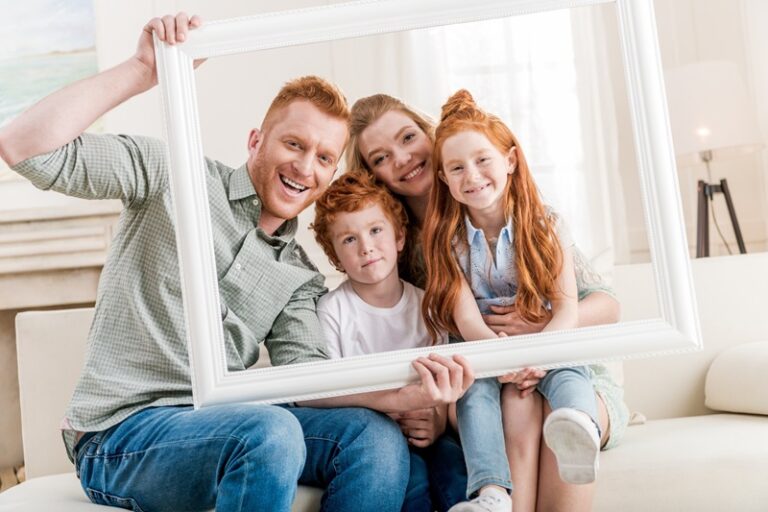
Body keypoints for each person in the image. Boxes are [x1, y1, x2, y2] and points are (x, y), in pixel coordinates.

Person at [0, 14, 475, 512]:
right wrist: (143, 70)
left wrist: (399, 399)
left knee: (372, 438)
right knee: (268, 430)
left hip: (226, 422)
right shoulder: (171, 175)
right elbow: (24, 147)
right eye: (294, 144)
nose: (304, 166)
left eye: (323, 157)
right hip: (123, 434)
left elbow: (309, 382)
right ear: (256, 141)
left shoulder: (300, 276)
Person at [347, 92, 628, 512]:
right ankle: (494, 494)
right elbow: (401, 339)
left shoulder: (525, 215)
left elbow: (605, 305)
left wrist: (536, 333)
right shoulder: (389, 246)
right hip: (482, 379)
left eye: (408, 138)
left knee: (541, 405)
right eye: (381, 158)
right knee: (513, 401)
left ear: (432, 136)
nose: (403, 159)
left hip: (560, 366)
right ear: (372, 175)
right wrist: (436, 405)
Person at [311, 170, 467, 512]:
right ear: (336, 258)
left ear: (399, 237)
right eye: (349, 240)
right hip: (378, 435)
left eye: (375, 230)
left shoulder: (427, 304)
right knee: (414, 489)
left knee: (457, 477)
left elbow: (447, 379)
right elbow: (331, 390)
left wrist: (438, 420)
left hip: (428, 432)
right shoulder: (333, 310)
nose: (366, 247)